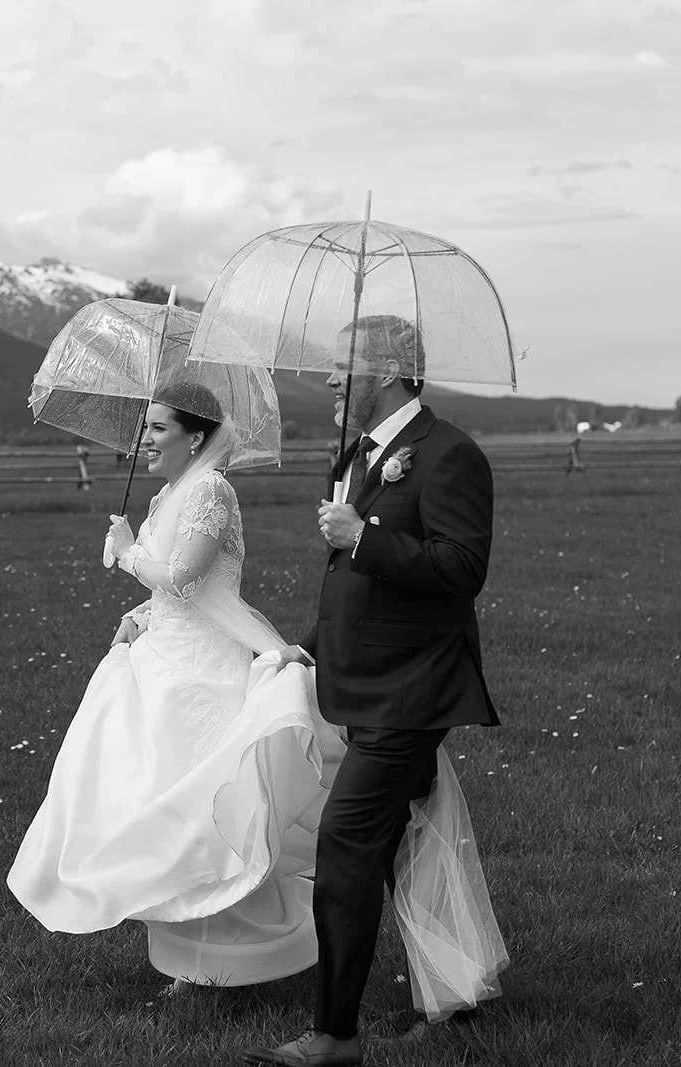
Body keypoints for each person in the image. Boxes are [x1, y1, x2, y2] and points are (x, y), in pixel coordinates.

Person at [6, 381, 340, 993]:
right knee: (159, 807)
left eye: (159, 428)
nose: (146, 439)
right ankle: (189, 961)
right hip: (165, 658)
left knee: (207, 812)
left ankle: (230, 961)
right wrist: (139, 614)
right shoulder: (169, 494)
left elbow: (187, 577)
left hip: (205, 673)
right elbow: (173, 596)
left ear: (196, 437)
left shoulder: (211, 490)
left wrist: (130, 553)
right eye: (147, 427)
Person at [241, 315, 508, 1067]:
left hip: (411, 690)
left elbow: (461, 570)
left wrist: (362, 534)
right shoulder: (367, 453)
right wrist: (310, 646)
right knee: (415, 844)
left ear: (387, 371)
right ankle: (457, 990)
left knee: (347, 846)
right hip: (365, 682)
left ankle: (334, 1036)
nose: (329, 378)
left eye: (341, 365)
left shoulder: (451, 455)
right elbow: (358, 589)